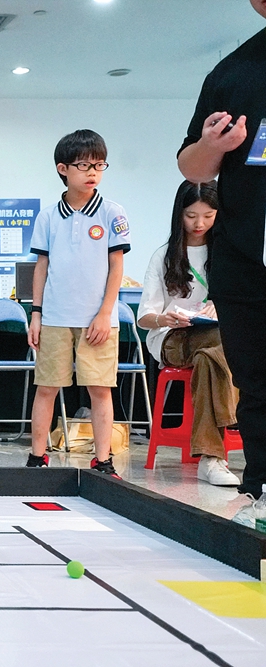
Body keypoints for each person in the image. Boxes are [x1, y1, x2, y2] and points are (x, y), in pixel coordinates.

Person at [177, 0, 266, 520]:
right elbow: (191, 165)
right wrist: (213, 144)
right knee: (254, 377)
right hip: (245, 252)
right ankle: (258, 484)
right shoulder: (233, 72)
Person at [27, 130, 130, 477]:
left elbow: (117, 266)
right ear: (63, 168)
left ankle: (103, 460)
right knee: (46, 388)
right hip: (55, 318)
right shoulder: (48, 217)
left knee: (100, 390)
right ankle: (37, 457)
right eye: (84, 165)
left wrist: (105, 313)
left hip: (98, 320)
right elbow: (41, 267)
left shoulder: (112, 212)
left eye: (99, 165)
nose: (93, 173)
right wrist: (36, 314)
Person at [138, 181, 240, 487]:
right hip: (171, 337)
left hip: (213, 339)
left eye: (208, 216)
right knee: (227, 345)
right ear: (179, 214)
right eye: (191, 216)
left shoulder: (227, 253)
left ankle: (211, 459)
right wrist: (165, 318)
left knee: (211, 357)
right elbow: (144, 318)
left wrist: (221, 306)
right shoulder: (165, 256)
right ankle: (236, 423)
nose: (199, 224)